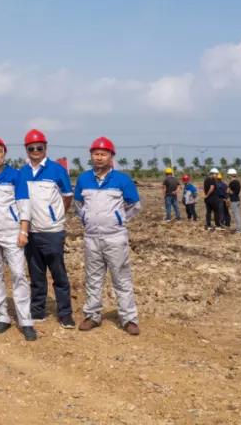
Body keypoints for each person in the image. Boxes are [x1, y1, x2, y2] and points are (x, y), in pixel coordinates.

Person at [75, 137, 142, 336]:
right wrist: (86, 218)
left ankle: (129, 318)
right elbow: (79, 205)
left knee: (121, 278)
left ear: (111, 156)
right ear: (91, 156)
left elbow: (135, 205)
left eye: (103, 154)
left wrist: (118, 219)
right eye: (96, 154)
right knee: (93, 278)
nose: (99, 157)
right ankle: (92, 315)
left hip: (115, 237)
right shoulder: (83, 179)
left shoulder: (122, 179)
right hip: (91, 238)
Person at [0, 136, 37, 341]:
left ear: (4, 154)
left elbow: (24, 204)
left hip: (12, 232)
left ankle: (25, 320)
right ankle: (2, 315)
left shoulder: (15, 175)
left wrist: (23, 231)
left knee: (19, 273)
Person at [19, 129, 76, 329]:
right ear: (26, 150)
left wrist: (56, 216)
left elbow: (67, 196)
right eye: (31, 148)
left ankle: (65, 314)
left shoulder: (57, 170)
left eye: (39, 148)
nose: (35, 151)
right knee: (36, 274)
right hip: (31, 231)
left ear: (45, 148)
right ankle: (37, 310)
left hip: (52, 232)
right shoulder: (22, 172)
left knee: (59, 274)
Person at [227, 168, 241, 233]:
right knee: (238, 214)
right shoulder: (238, 182)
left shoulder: (232, 182)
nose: (228, 176)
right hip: (237, 199)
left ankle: (239, 230)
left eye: (228, 175)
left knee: (236, 215)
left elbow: (229, 191)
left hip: (234, 200)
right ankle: (239, 228)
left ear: (230, 175)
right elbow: (236, 192)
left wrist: (228, 191)